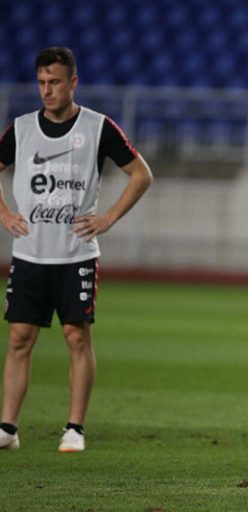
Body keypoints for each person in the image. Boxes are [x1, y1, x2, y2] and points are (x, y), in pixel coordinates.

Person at [0, 47, 153, 452]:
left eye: (54, 82)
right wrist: (5, 214)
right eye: (41, 82)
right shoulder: (22, 129)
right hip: (30, 253)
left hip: (76, 255)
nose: (47, 90)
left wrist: (109, 218)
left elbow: (141, 174)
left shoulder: (98, 127)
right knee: (19, 338)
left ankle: (74, 429)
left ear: (73, 82)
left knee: (76, 337)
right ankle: (8, 429)